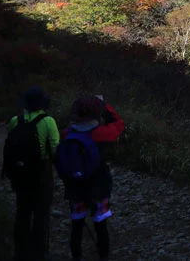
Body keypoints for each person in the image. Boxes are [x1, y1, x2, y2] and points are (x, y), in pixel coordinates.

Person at [57, 96, 125, 260]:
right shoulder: (102, 134)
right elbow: (119, 124)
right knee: (101, 227)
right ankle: (103, 256)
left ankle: (77, 257)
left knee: (77, 227)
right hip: (98, 187)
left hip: (75, 188)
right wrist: (105, 105)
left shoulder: (66, 134)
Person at [4, 85, 60, 261]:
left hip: (20, 175)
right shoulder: (48, 121)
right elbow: (55, 150)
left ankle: (20, 252)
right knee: (41, 214)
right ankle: (39, 252)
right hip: (41, 173)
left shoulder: (15, 120)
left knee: (22, 212)